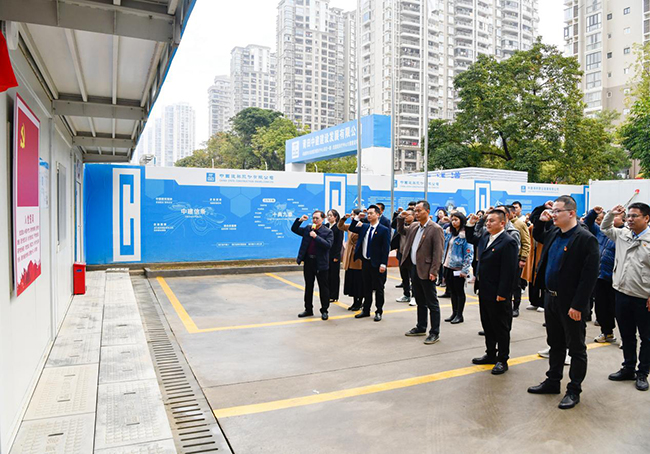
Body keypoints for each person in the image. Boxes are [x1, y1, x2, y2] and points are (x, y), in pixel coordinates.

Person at [527, 196, 599, 409]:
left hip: (571, 304)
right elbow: (539, 235)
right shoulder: (555, 233)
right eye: (553, 211)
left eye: (557, 211)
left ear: (571, 213)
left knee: (576, 348)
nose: (554, 214)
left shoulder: (585, 239)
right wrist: (540, 219)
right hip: (551, 298)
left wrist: (578, 306)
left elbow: (589, 277)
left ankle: (574, 390)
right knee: (555, 343)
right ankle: (552, 381)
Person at [601, 202, 650, 392]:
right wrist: (612, 213)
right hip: (621, 292)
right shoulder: (623, 234)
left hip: (643, 296)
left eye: (634, 216)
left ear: (646, 218)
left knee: (646, 337)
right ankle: (628, 368)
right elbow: (604, 228)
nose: (629, 219)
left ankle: (642, 372)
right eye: (628, 216)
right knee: (627, 334)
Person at [466, 210, 519, 374]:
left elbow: (509, 270)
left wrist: (503, 293)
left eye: (492, 221)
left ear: (502, 223)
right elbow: (470, 238)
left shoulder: (507, 241)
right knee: (487, 324)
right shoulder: (485, 237)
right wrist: (470, 224)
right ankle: (490, 354)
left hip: (498, 292)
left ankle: (503, 359)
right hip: (484, 289)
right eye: (487, 221)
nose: (488, 223)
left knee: (501, 327)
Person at [398, 200, 445, 345]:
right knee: (420, 300)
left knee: (432, 302)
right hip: (414, 268)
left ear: (428, 211)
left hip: (427, 270)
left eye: (419, 211)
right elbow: (401, 231)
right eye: (415, 211)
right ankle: (421, 326)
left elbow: (438, 252)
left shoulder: (435, 228)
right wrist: (401, 217)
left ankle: (434, 332)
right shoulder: (414, 226)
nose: (416, 214)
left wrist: (434, 271)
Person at [584, 206, 623, 343]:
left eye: (618, 216)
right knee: (601, 307)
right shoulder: (600, 232)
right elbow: (587, 224)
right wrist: (593, 213)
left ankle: (625, 336)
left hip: (616, 278)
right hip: (600, 276)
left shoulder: (624, 235)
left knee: (618, 309)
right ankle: (607, 333)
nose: (613, 217)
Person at [347, 205, 391, 321]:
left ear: (378, 214)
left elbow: (385, 248)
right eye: (368, 213)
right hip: (365, 262)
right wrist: (357, 217)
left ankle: (379, 311)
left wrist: (383, 264)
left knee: (379, 289)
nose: (369, 215)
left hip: (377, 264)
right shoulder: (364, 227)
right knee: (366, 287)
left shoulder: (383, 230)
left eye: (371, 213)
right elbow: (352, 228)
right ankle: (366, 310)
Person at [291, 211, 334, 320]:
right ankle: (308, 309)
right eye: (313, 218)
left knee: (323, 287)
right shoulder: (308, 229)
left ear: (323, 219)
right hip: (309, 262)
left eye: (317, 218)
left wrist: (316, 237)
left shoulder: (327, 232)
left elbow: (328, 245)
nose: (314, 220)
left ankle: (324, 310)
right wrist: (300, 220)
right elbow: (294, 229)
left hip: (321, 263)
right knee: (308, 286)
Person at [442, 211, 473, 324]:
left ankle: (460, 315)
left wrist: (465, 270)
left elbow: (469, 254)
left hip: (458, 268)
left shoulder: (465, 235)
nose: (453, 222)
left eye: (456, 220)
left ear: (462, 220)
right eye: (452, 219)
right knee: (452, 292)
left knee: (459, 292)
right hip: (448, 265)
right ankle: (454, 313)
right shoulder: (450, 233)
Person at [338, 209, 364, 311]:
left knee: (359, 282)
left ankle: (359, 302)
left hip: (358, 257)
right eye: (352, 215)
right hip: (349, 256)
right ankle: (354, 302)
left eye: (354, 215)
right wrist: (344, 218)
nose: (352, 216)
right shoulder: (350, 226)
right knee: (351, 281)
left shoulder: (362, 225)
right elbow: (340, 226)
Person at [508, 205, 531, 318]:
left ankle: (516, 307)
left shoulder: (519, 224)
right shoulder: (502, 224)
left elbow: (526, 242)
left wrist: (523, 258)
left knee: (515, 284)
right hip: (505, 259)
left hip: (516, 258)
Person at [395, 209, 416, 305]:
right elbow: (399, 229)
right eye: (405, 215)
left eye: (409, 215)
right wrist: (400, 217)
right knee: (404, 276)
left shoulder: (416, 227)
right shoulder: (404, 226)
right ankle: (406, 294)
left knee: (413, 277)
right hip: (402, 254)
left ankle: (414, 296)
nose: (406, 217)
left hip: (411, 255)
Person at [326, 209, 344, 302]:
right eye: (328, 215)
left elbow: (339, 243)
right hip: (326, 255)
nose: (329, 217)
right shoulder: (326, 226)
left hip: (334, 255)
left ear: (335, 217)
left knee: (334, 276)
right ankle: (327, 294)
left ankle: (334, 295)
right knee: (327, 275)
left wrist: (337, 256)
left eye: (331, 215)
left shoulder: (338, 227)